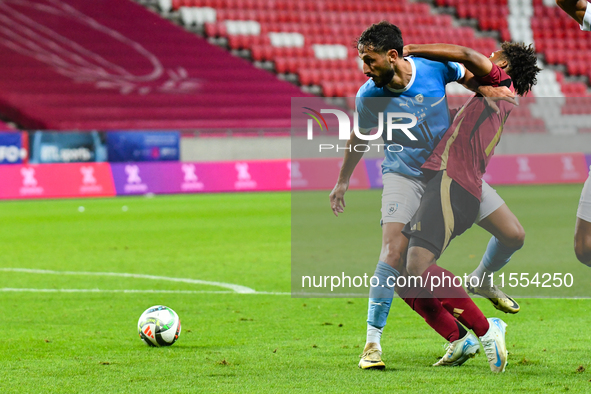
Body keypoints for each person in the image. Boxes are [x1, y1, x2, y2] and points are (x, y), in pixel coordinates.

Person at [329, 21, 525, 370]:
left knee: (513, 234)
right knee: (394, 254)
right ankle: (372, 345)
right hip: (404, 176)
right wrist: (343, 180)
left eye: (370, 60)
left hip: (449, 171)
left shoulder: (434, 66)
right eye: (362, 60)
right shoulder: (369, 95)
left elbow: (468, 75)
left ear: (392, 55)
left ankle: (477, 291)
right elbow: (360, 136)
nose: (365, 68)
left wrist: (486, 90)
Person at [399, 42, 540, 372]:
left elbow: (463, 55)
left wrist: (413, 48)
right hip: (464, 183)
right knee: (400, 271)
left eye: (495, 53)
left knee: (418, 266)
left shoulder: (499, 80)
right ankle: (458, 337)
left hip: (452, 180)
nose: (489, 55)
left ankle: (487, 329)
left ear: (503, 62)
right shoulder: (492, 98)